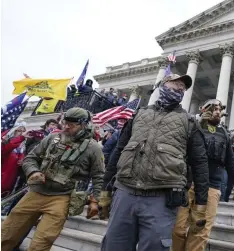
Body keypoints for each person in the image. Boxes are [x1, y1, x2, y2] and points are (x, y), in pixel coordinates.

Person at [100, 74, 209, 251]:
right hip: (125, 192)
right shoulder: (138, 115)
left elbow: (200, 164)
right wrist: (105, 189)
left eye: (183, 87)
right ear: (162, 86)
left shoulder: (190, 123)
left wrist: (201, 204)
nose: (179, 88)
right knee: (114, 245)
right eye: (175, 84)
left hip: (162, 198)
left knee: (155, 247)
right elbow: (118, 151)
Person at [1, 108, 105, 251]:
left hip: (62, 197)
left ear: (83, 125)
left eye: (72, 124)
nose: (66, 126)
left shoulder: (94, 148)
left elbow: (99, 175)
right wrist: (33, 172)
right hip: (36, 192)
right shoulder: (52, 138)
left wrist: (95, 201)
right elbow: (30, 158)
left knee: (42, 242)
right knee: (7, 233)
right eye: (65, 122)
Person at [172, 99, 234, 251]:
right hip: (188, 184)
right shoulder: (191, 127)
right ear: (203, 110)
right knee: (177, 228)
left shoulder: (224, 133)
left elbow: (231, 161)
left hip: (212, 186)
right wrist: (198, 126)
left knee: (201, 232)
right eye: (213, 108)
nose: (217, 111)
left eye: (219, 109)